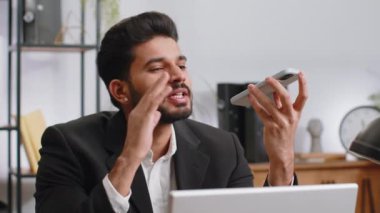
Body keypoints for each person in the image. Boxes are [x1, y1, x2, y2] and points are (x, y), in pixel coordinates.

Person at [35, 11, 308, 213]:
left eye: (181, 65)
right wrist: (130, 156)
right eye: (157, 69)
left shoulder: (224, 148)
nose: (178, 76)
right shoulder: (67, 145)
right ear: (120, 91)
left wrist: (282, 159)